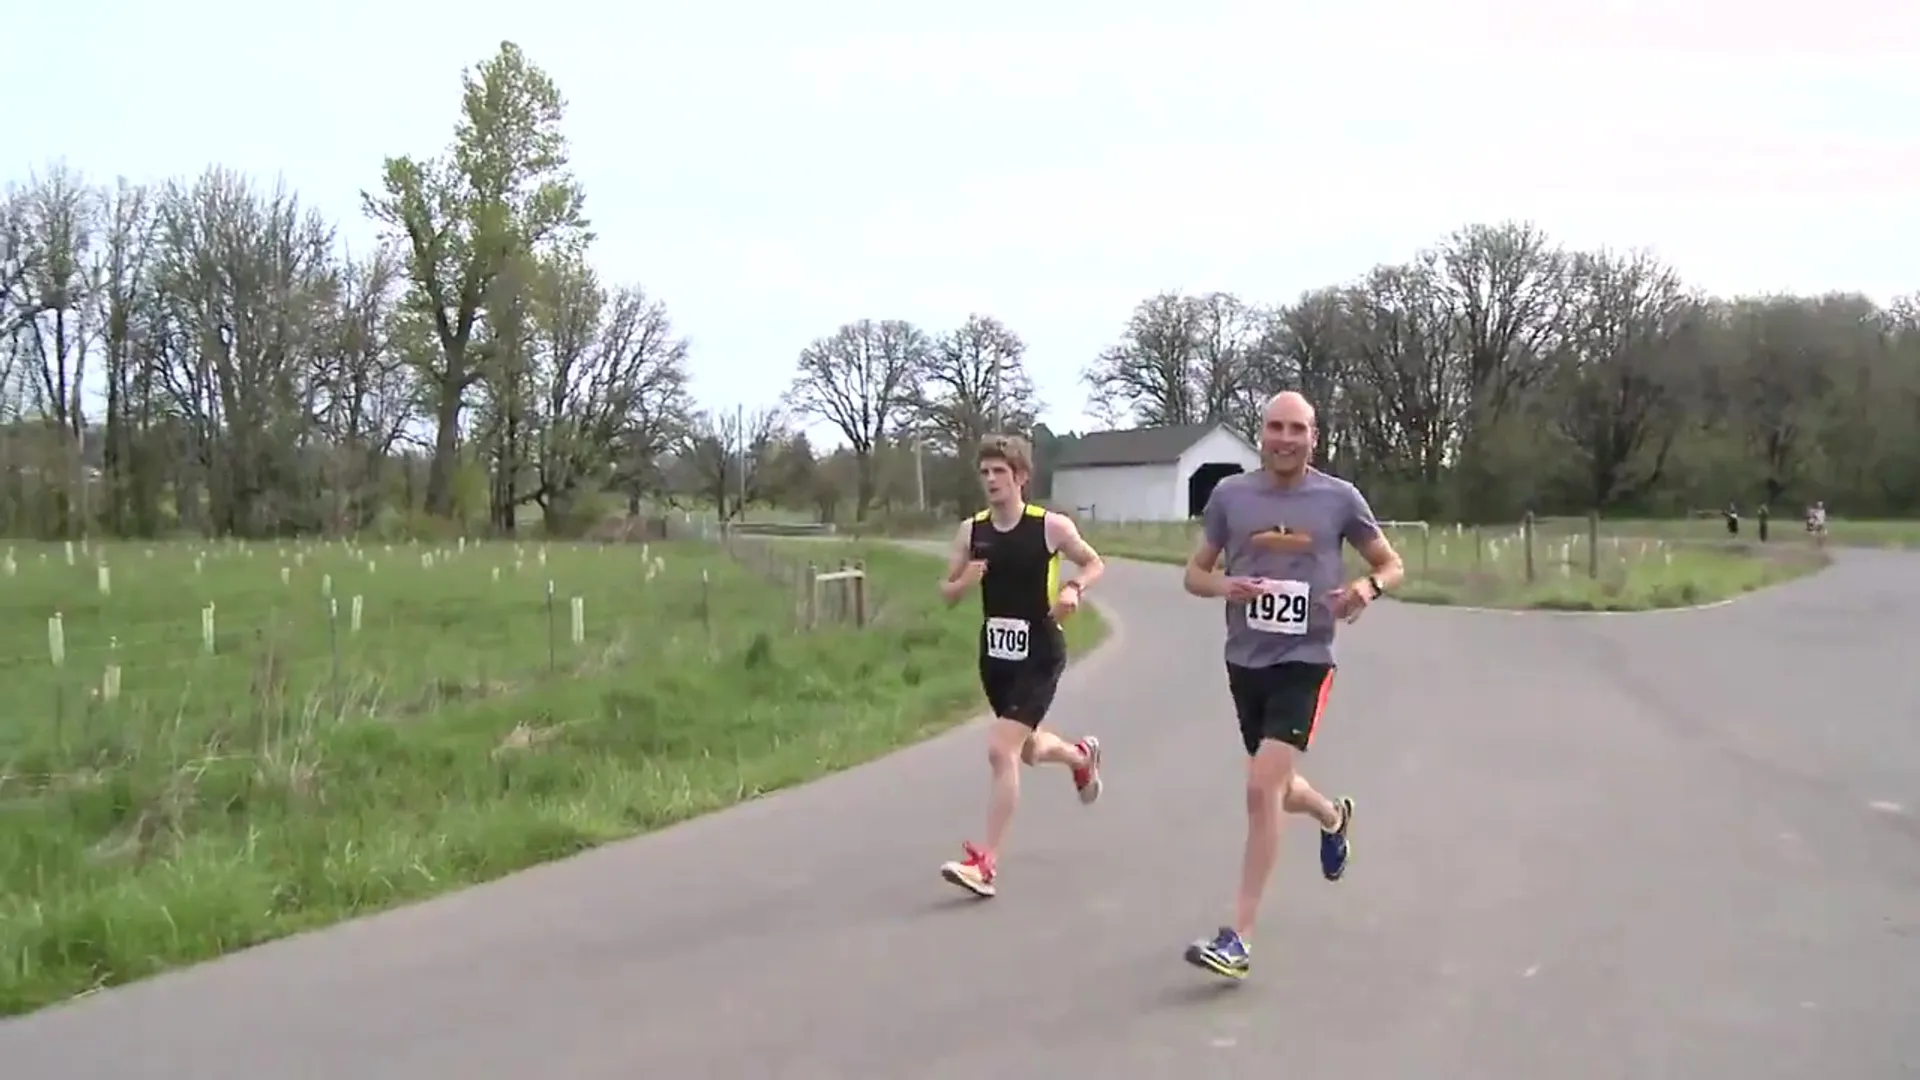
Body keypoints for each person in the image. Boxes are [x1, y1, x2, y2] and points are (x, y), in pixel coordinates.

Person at [1179, 391, 1405, 979]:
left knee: (1260, 788)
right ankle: (1332, 818)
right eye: (1276, 427)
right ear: (1262, 434)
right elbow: (1194, 575)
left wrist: (1366, 590)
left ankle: (1240, 937)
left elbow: (1391, 564)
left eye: (1297, 428)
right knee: (1276, 782)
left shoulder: (1339, 498)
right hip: (1245, 659)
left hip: (1307, 659)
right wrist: (1225, 586)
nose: (1285, 438)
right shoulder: (1231, 496)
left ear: (1314, 437)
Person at [936, 434, 1107, 899]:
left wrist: (1074, 589)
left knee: (1000, 750)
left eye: (1000, 472)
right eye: (985, 472)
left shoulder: (1050, 527)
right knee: (1026, 751)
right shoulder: (971, 531)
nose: (991, 480)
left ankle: (985, 863)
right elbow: (945, 593)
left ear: (1021, 478)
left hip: (1040, 650)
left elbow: (1094, 563)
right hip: (995, 655)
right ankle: (1079, 757)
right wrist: (965, 580)